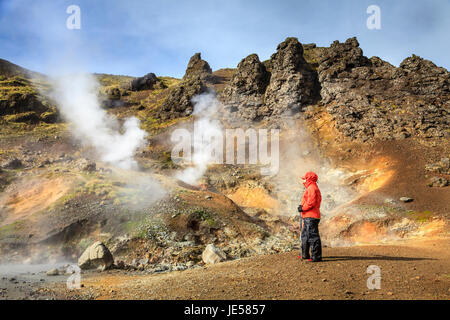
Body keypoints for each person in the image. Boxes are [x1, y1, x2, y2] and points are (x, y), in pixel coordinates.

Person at [297, 171, 322, 262]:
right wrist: (302, 208)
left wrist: (302, 208)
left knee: (312, 236)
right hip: (309, 216)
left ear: (309, 179)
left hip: (311, 216)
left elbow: (311, 202)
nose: (304, 180)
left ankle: (316, 257)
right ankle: (305, 255)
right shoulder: (312, 187)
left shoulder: (312, 188)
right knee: (305, 236)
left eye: (305, 178)